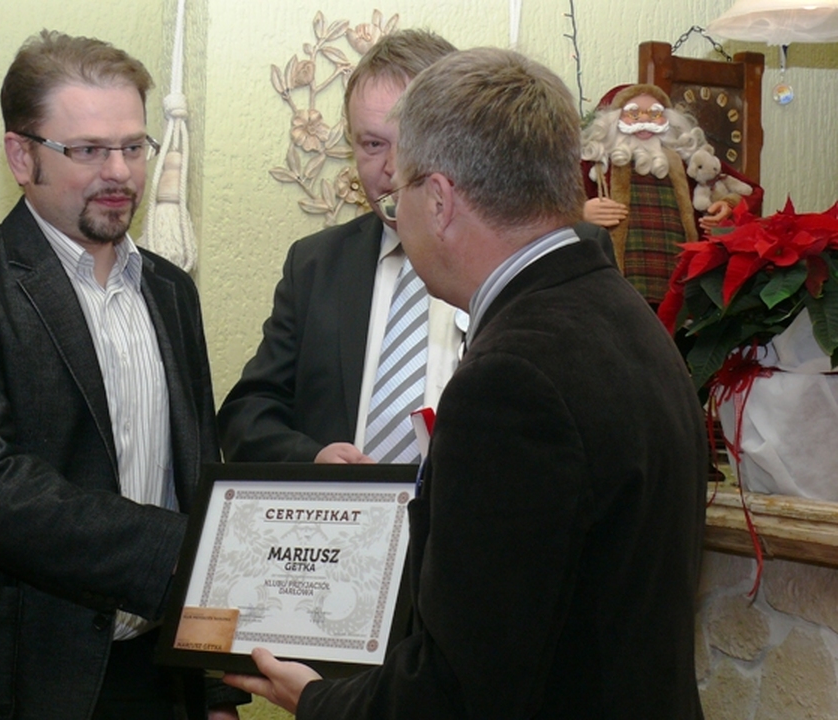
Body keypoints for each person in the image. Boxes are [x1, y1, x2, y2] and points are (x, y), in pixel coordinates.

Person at [223, 48, 708, 719]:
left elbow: (455, 694)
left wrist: (314, 699)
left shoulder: (509, 381)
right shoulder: (624, 316)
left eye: (401, 189)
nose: (389, 204)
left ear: (439, 200)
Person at [0, 30, 246, 719]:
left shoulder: (172, 290)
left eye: (133, 147)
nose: (119, 172)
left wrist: (213, 683)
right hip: (12, 682)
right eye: (87, 150)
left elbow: (194, 473)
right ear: (21, 156)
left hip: (156, 673)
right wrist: (192, 554)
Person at [217, 30, 462, 465]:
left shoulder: (507, 256)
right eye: (373, 144)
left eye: (411, 141)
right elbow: (247, 416)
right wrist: (313, 462)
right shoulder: (315, 265)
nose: (392, 169)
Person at [581, 83, 762, 307]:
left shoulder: (691, 162)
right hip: (611, 287)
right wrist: (580, 213)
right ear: (612, 120)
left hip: (678, 284)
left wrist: (727, 205)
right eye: (634, 113)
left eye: (655, 113)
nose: (644, 119)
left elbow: (749, 191)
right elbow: (547, 207)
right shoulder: (593, 164)